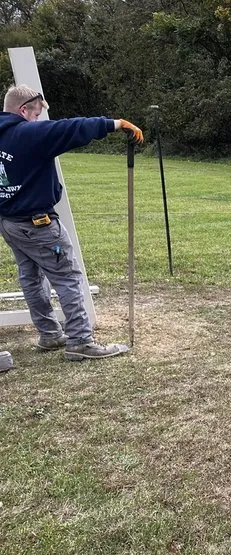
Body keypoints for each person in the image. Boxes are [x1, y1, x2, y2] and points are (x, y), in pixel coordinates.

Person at [0, 84, 144, 362]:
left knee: (31, 277)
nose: (38, 120)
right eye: (37, 114)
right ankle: (80, 341)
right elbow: (69, 128)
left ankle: (50, 334)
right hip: (38, 225)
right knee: (68, 277)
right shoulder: (27, 134)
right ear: (23, 110)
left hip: (10, 223)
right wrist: (115, 124)